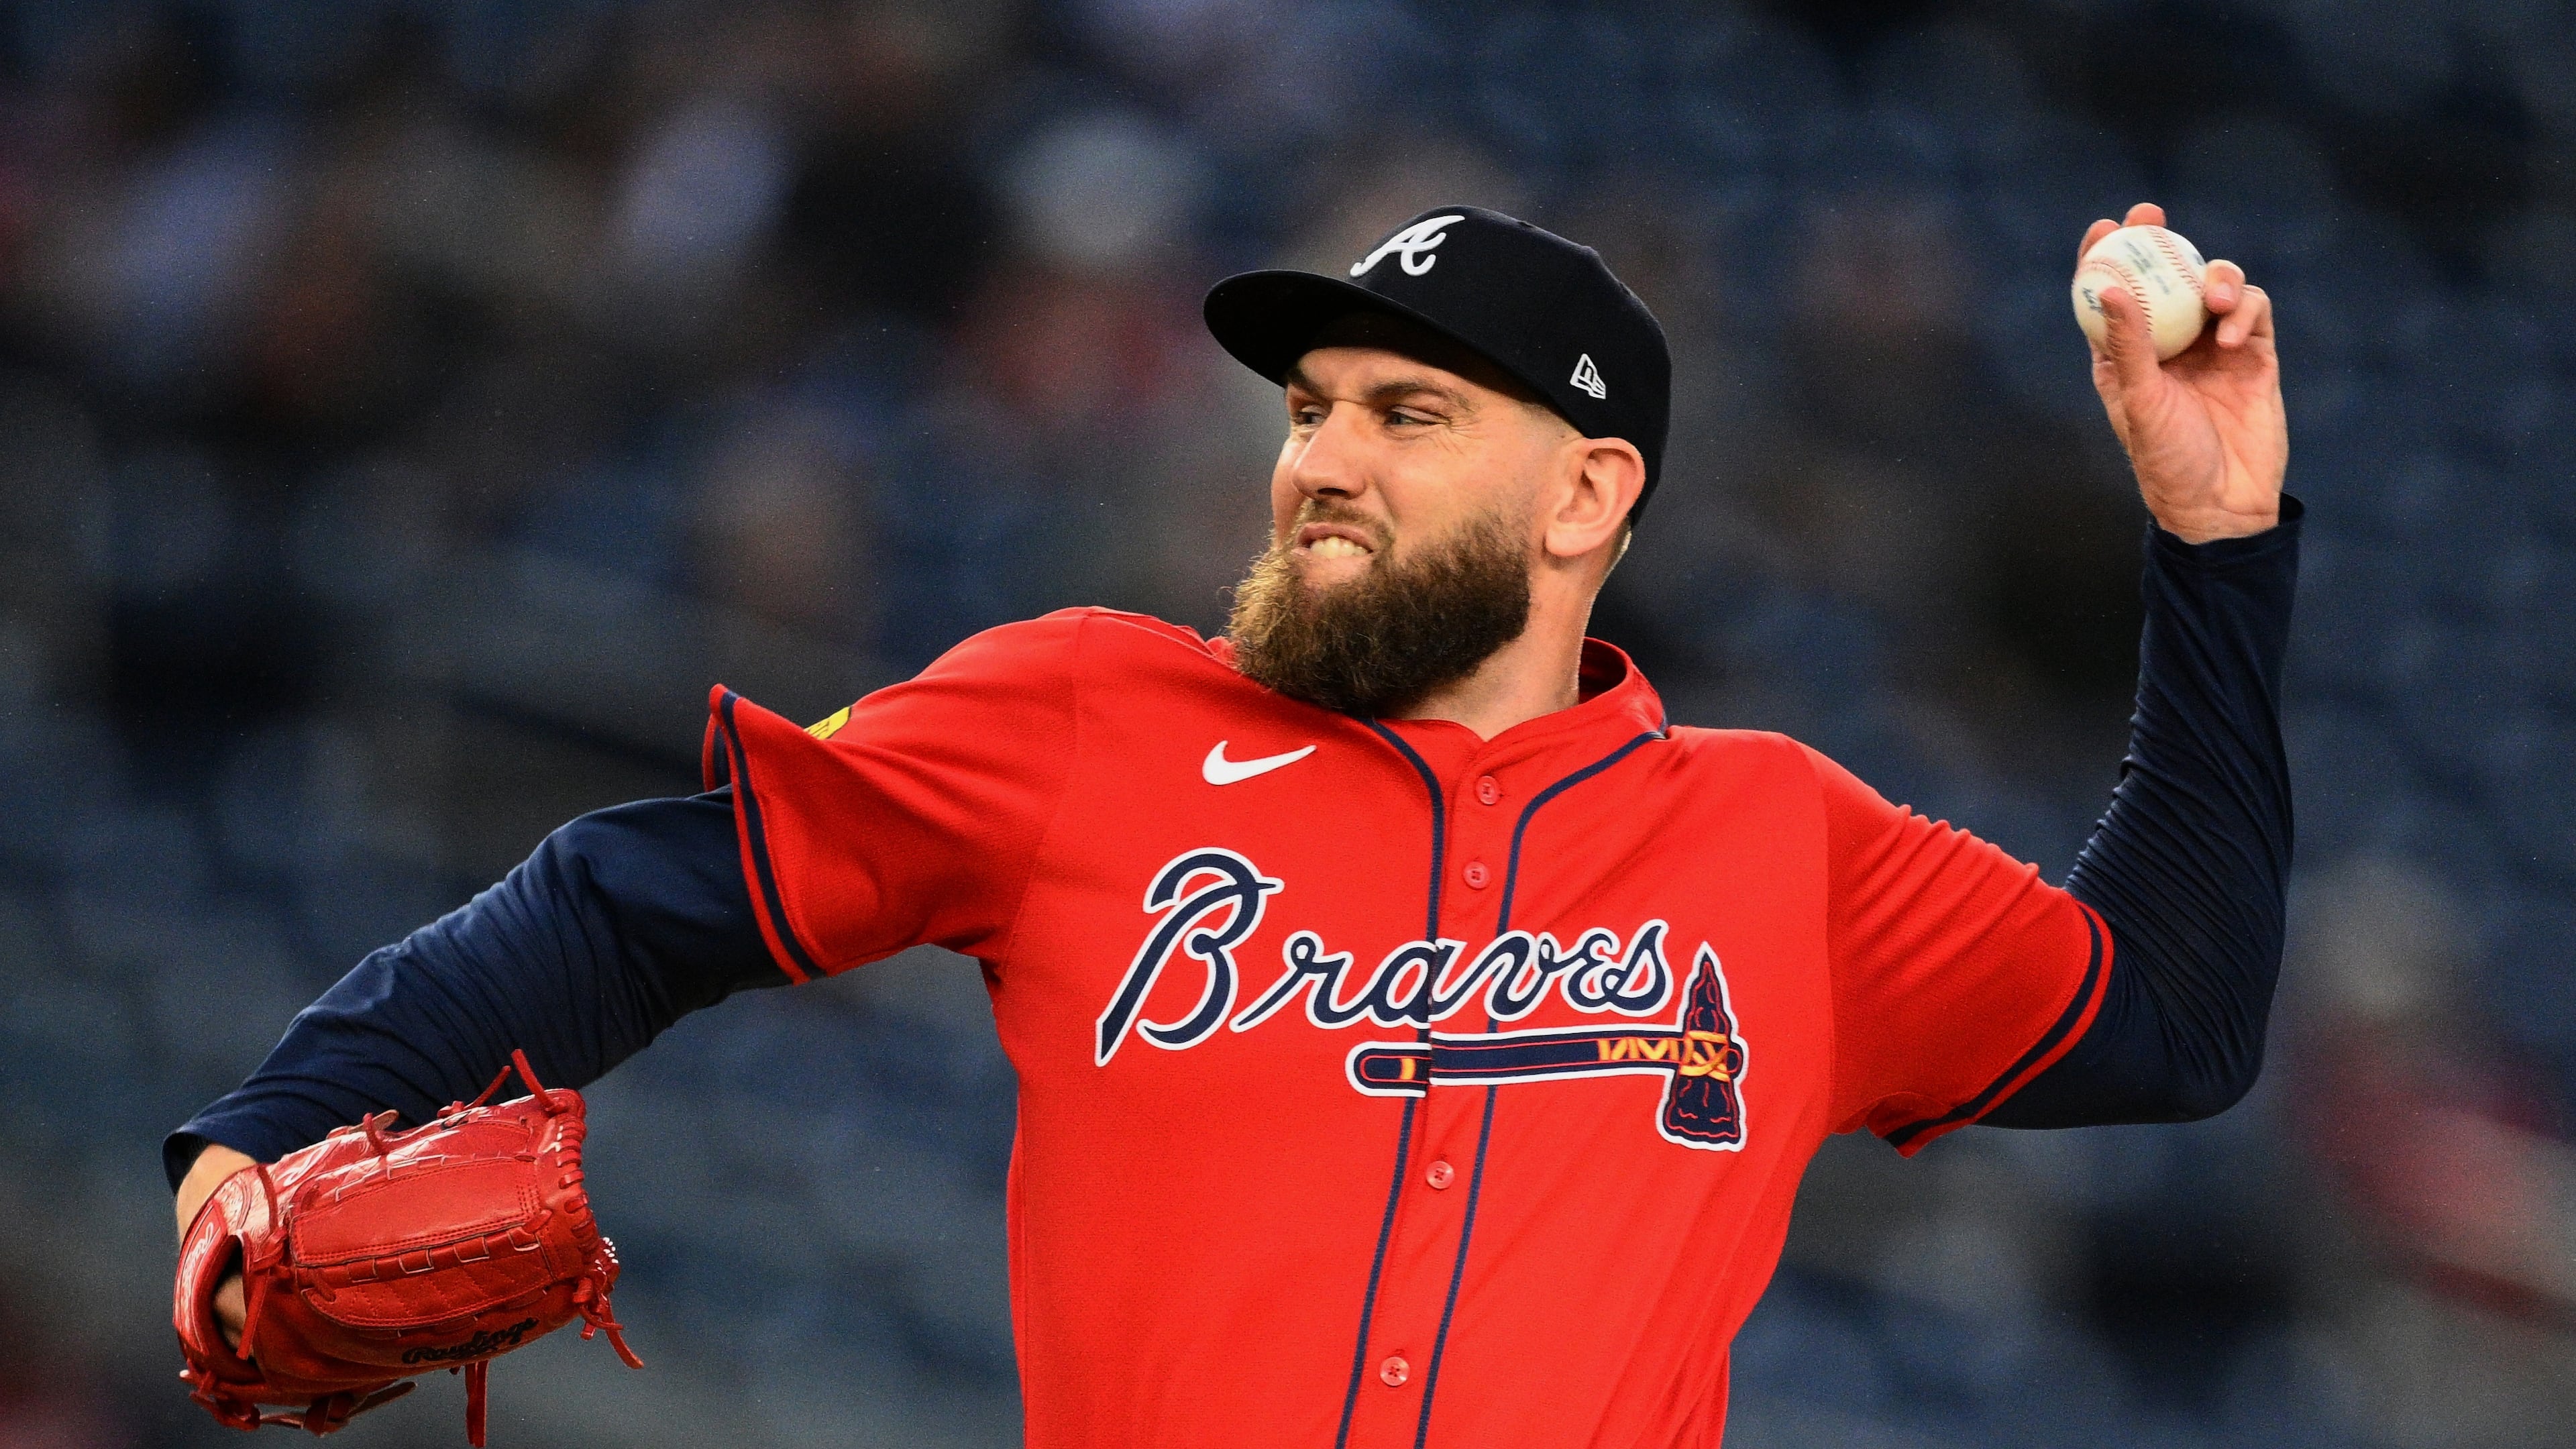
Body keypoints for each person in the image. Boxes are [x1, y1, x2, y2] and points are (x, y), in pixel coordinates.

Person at [170, 202, 2294, 1446]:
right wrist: (282, 1124)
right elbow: (626, 904)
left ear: (1588, 498)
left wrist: (2218, 537)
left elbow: (2179, 1018)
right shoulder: (1086, 711)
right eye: (1308, 411)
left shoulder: (1780, 846)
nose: (1323, 463)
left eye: (1408, 414)